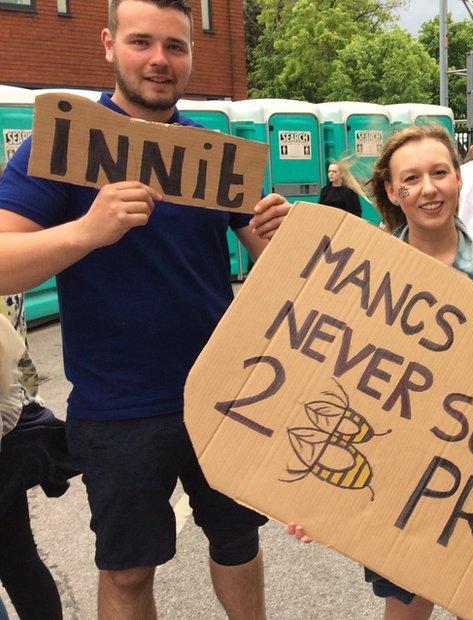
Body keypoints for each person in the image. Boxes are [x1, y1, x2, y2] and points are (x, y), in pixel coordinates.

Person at [0, 2, 292, 617]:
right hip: (117, 409)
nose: (159, 60)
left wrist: (271, 243)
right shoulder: (61, 146)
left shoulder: (215, 156)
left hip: (226, 396)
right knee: (128, 571)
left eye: (175, 47)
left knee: (239, 543)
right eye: (141, 42)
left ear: (191, 57)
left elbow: (275, 269)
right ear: (108, 45)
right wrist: (87, 231)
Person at [287, 123, 473, 620]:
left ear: (458, 180)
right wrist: (313, 501)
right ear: (392, 190)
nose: (428, 189)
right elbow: (333, 384)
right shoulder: (362, 274)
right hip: (399, 481)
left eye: (439, 173)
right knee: (406, 610)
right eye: (411, 178)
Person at [1, 294, 75, 620]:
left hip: (7, 418)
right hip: (11, 418)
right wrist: (32, 397)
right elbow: (19, 353)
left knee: (17, 558)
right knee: (18, 558)